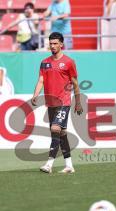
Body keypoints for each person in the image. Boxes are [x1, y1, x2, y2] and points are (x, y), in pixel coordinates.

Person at [31, 32, 83, 174]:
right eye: (51, 43)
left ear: (61, 44)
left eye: (55, 44)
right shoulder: (44, 62)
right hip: (51, 103)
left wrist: (78, 102)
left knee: (55, 129)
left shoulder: (68, 62)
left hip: (64, 102)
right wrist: (35, 94)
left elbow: (75, 83)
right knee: (61, 134)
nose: (52, 46)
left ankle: (49, 164)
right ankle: (69, 165)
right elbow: (41, 80)